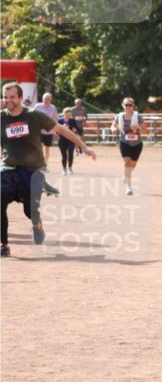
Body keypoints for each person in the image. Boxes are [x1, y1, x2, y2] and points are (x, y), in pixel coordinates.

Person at [2, 83, 95, 257]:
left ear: (20, 98)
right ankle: (3, 244)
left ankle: (37, 225)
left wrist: (84, 146)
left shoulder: (34, 116)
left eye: (12, 97)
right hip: (8, 168)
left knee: (30, 210)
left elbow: (61, 130)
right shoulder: (1, 117)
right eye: (6, 97)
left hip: (31, 170)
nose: (9, 100)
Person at [111, 97, 143, 195]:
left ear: (133, 106)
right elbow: (113, 125)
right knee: (127, 163)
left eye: (130, 105)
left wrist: (138, 127)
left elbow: (144, 129)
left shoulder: (138, 116)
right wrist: (113, 129)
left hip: (137, 143)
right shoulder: (119, 116)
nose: (128, 107)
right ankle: (129, 187)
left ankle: (126, 175)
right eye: (126, 105)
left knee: (133, 164)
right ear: (122, 105)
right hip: (124, 142)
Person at [33, 92, 59, 172]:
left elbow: (55, 119)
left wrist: (55, 130)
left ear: (51, 100)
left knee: (47, 150)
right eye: (45, 99)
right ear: (42, 99)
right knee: (38, 148)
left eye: (48, 99)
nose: (46, 100)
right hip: (38, 131)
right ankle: (37, 165)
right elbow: (32, 116)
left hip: (48, 132)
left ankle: (44, 165)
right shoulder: (38, 106)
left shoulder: (53, 107)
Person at [57, 107, 79, 175]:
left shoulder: (73, 121)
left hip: (71, 139)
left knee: (70, 153)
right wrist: (63, 128)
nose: (68, 115)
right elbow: (57, 131)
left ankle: (70, 168)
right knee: (64, 155)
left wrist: (73, 129)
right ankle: (64, 169)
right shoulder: (60, 121)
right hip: (62, 139)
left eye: (69, 114)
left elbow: (76, 130)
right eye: (67, 113)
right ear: (64, 113)